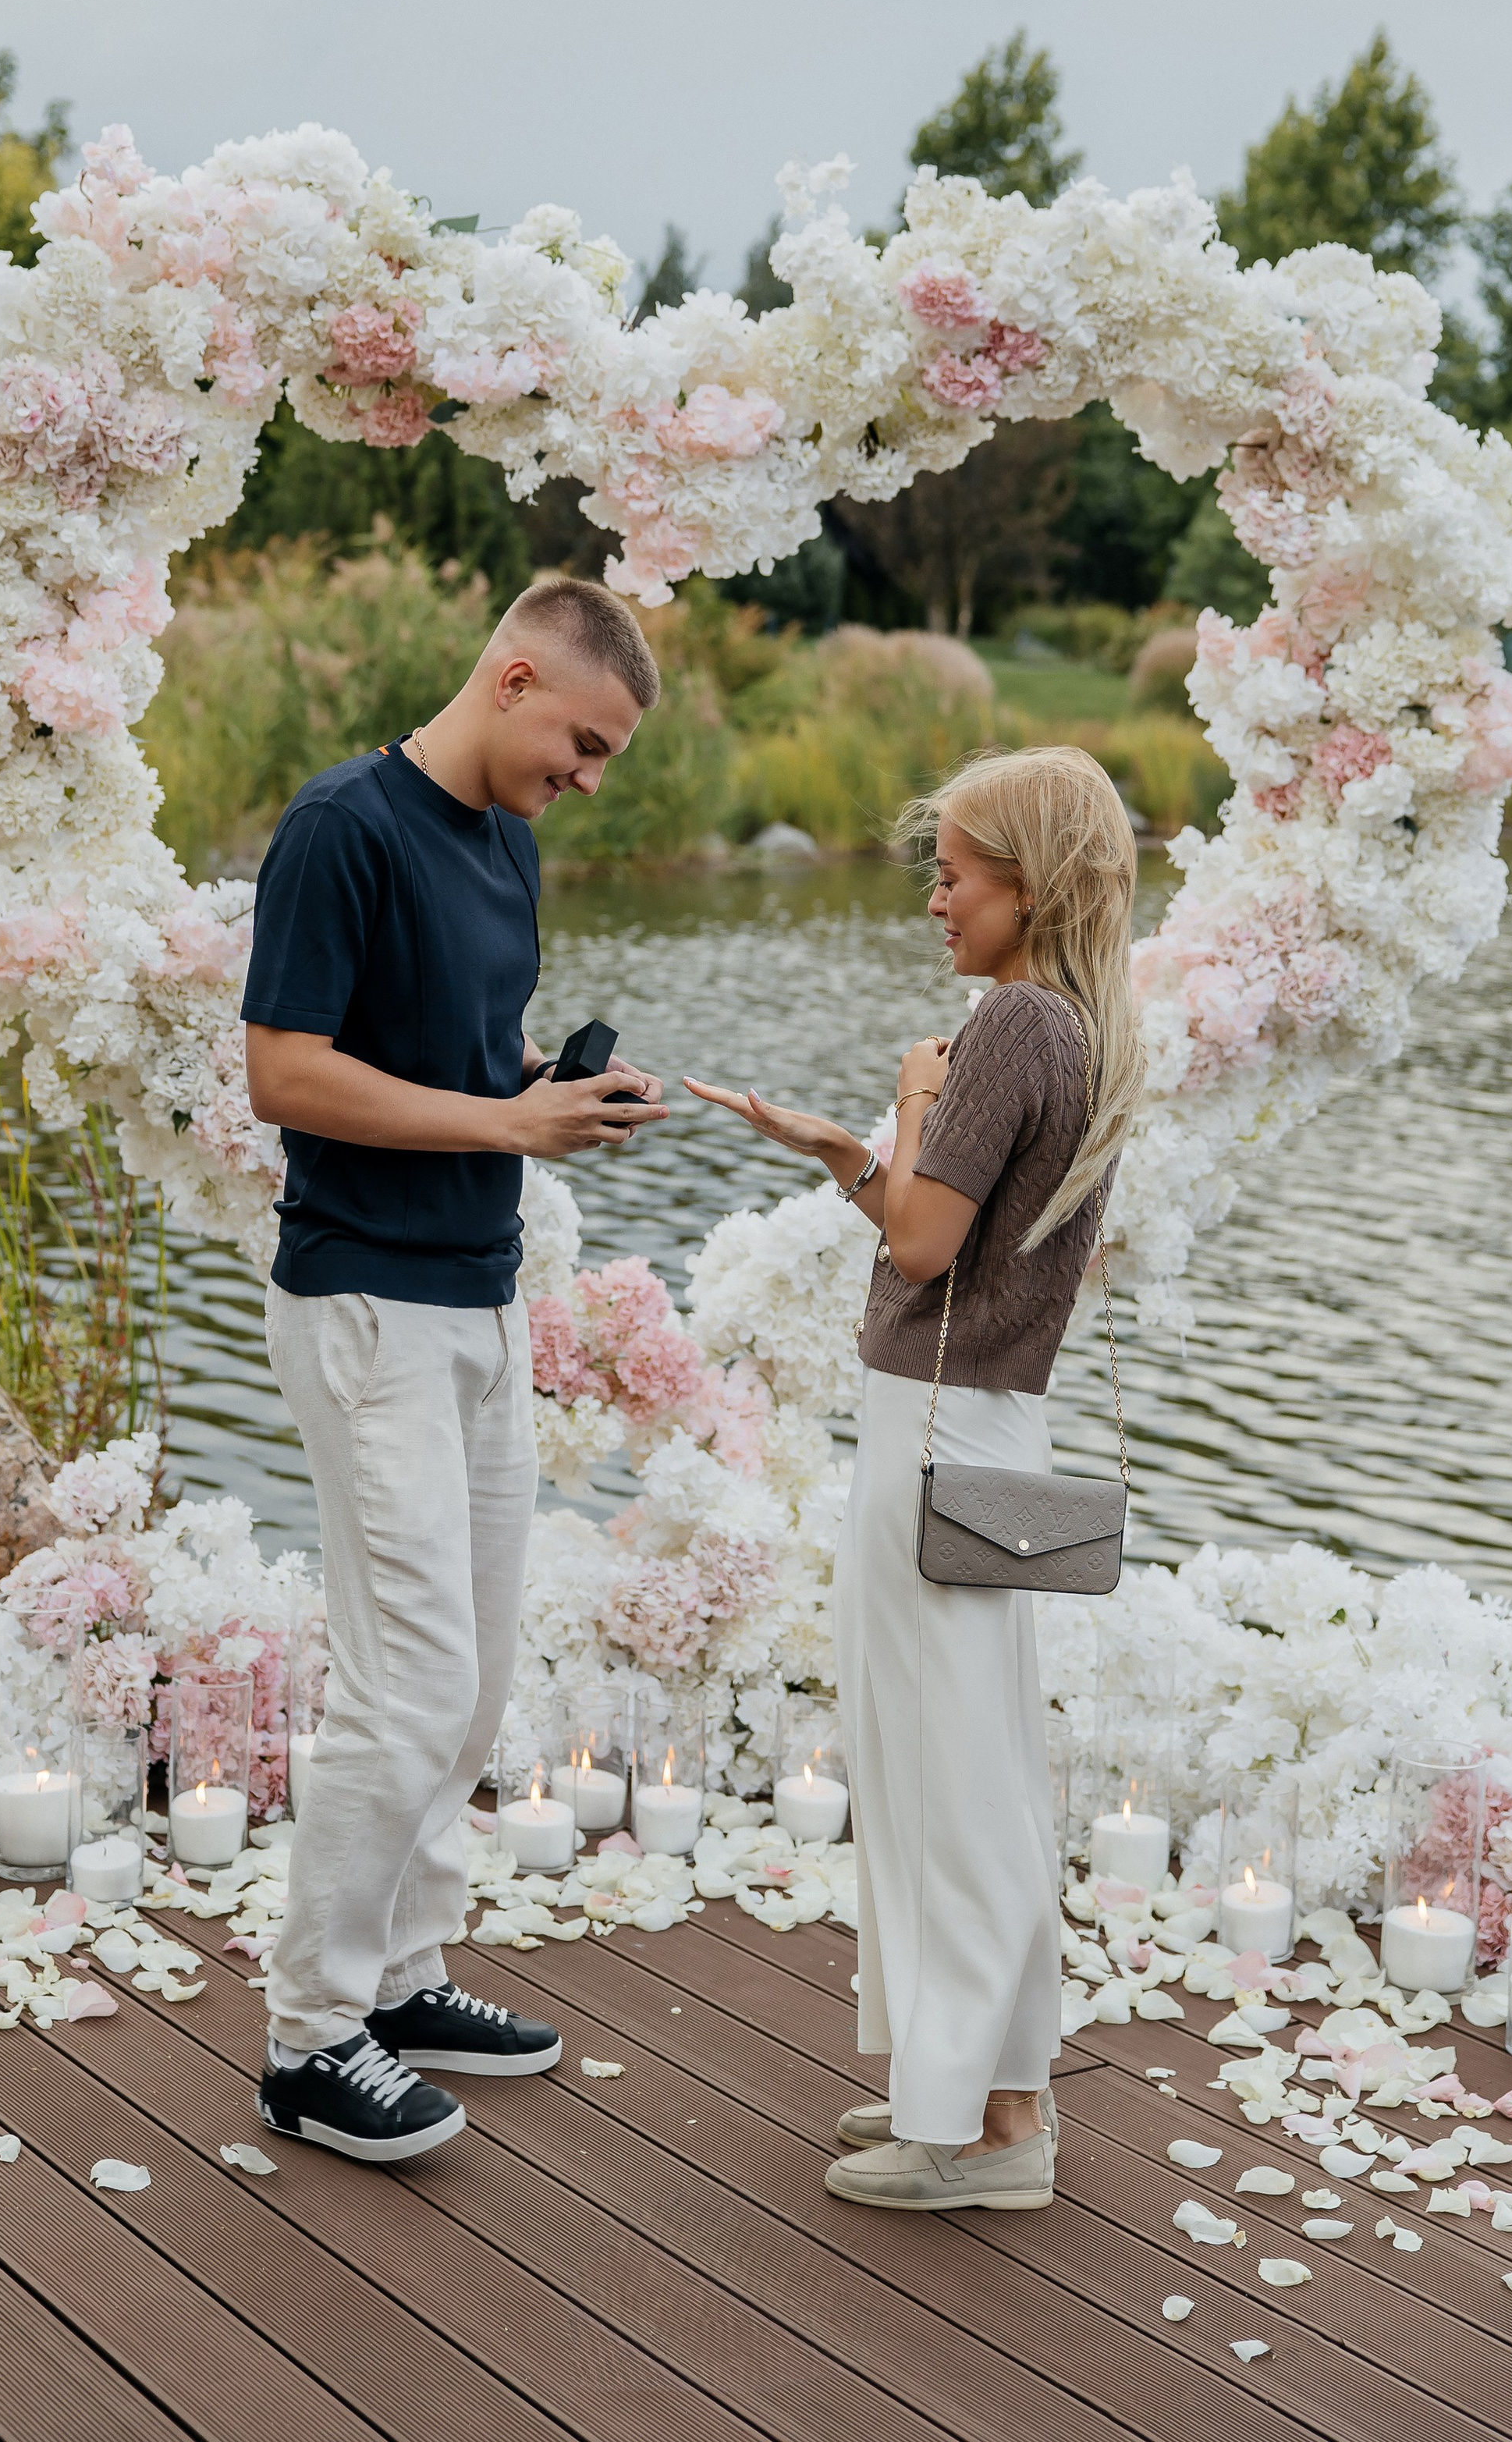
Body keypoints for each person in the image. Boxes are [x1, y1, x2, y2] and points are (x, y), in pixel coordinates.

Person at [243, 576, 669, 2163]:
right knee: (407, 1675)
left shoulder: (508, 844)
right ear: (508, 678)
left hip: (481, 1303)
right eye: (581, 739)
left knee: (477, 1680)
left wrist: (553, 1087)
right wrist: (508, 1125)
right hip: (364, 1303)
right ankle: (306, 2035)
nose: (587, 774)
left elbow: (452, 1058)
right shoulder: (339, 827)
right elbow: (285, 1071)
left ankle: (403, 1975)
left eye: (605, 754)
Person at [687, 746, 1141, 2212]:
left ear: (1034, 882)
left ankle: (995, 2129)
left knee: (947, 1780)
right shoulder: (1077, 1025)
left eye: (956, 870)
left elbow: (926, 1244)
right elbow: (960, 1231)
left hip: (940, 1433)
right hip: (984, 1431)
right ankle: (976, 2088)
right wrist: (853, 1147)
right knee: (967, 1766)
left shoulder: (1010, 1022)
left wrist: (882, 1113)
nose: (934, 895)